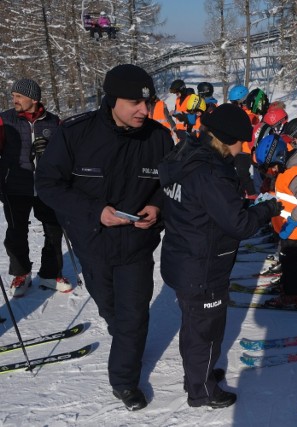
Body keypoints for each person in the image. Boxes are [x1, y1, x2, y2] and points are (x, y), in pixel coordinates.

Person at [35, 64, 174, 411]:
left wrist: (157, 207)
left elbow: (173, 185)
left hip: (137, 245)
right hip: (92, 243)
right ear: (112, 100)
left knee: (133, 316)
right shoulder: (76, 134)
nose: (145, 110)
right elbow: (48, 184)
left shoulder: (157, 137)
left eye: (149, 102)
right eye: (135, 103)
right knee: (111, 310)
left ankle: (124, 382)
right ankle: (122, 334)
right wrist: (95, 211)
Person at [158, 103, 282, 408]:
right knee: (206, 331)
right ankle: (201, 390)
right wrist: (268, 208)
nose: (244, 147)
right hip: (202, 266)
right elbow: (239, 224)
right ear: (228, 138)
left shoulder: (187, 152)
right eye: (242, 141)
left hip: (184, 256)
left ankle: (198, 375)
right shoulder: (210, 172)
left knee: (194, 326)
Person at [0, 78, 71, 297]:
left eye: (19, 96)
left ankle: (50, 274)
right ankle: (21, 274)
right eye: (13, 96)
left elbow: (65, 154)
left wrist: (48, 151)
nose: (15, 100)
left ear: (34, 98)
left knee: (53, 230)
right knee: (16, 232)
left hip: (46, 186)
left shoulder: (53, 122)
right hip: (14, 186)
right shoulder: (5, 120)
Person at [254, 133, 297, 309]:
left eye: (270, 167)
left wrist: (293, 222)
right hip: (287, 225)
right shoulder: (285, 171)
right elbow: (285, 195)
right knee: (295, 258)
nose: (270, 172)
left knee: (289, 262)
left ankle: (294, 295)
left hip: (295, 227)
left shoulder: (294, 174)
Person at [228, 85, 258, 199]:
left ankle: (252, 195)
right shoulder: (237, 111)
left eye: (235, 103)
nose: (234, 106)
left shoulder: (252, 113)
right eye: (232, 103)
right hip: (236, 147)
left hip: (246, 149)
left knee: (242, 172)